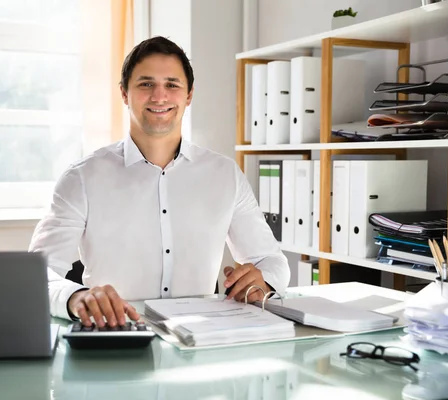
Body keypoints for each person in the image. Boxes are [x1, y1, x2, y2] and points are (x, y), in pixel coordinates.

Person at [29, 36, 289, 327]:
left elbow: (273, 261)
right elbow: (37, 275)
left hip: (202, 338)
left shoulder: (225, 174)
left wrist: (263, 279)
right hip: (115, 338)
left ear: (189, 95)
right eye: (146, 84)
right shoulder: (81, 178)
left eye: (172, 85)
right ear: (125, 94)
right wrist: (76, 298)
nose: (159, 96)